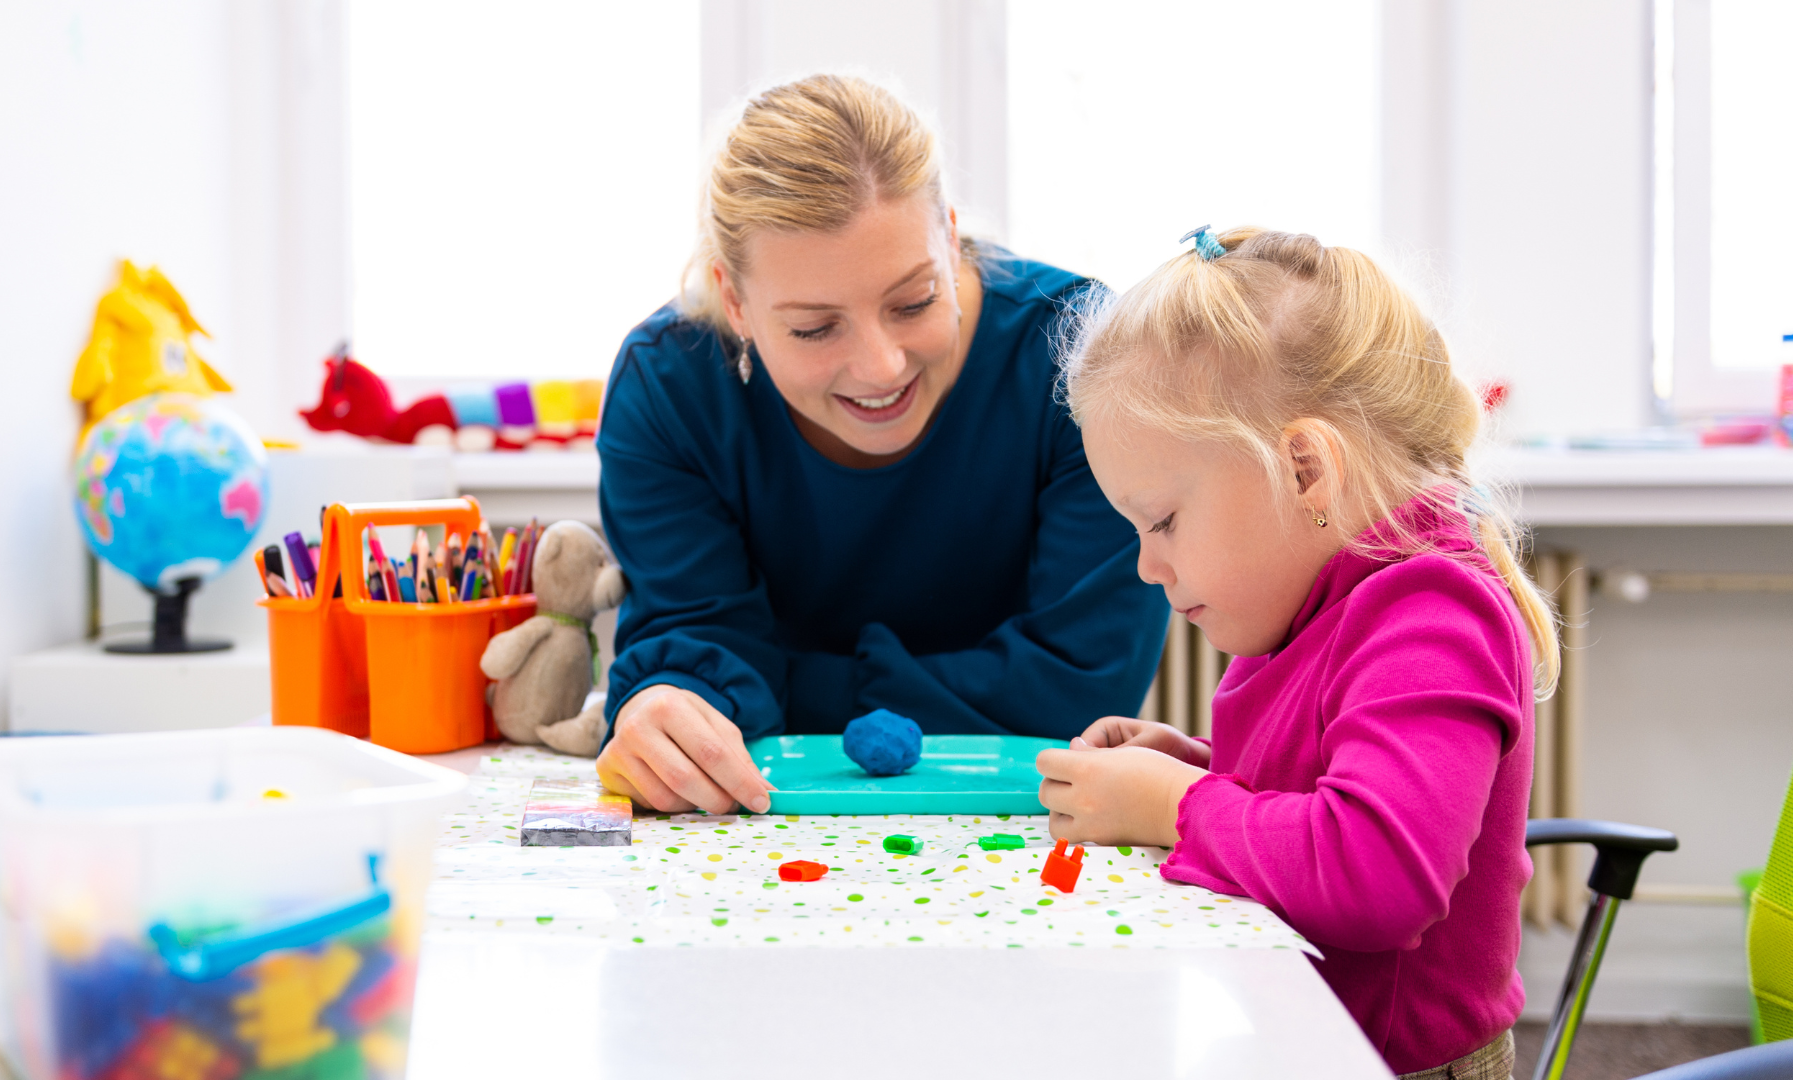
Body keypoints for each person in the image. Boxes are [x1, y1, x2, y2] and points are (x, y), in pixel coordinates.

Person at [1040, 227, 1552, 1080]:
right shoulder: (1318, 596)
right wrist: (1203, 766)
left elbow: (1378, 872)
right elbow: (1334, 784)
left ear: (1306, 469)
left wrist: (1181, 806)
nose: (1145, 565)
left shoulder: (1431, 611)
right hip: (1306, 1041)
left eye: (1162, 521)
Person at [594, 74, 1168, 816]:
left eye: (915, 300)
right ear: (734, 301)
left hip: (1032, 821)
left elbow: (1079, 689)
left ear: (951, 238)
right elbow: (693, 652)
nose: (881, 367)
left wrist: (777, 685)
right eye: (813, 328)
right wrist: (668, 708)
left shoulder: (1083, 356)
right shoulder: (668, 388)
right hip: (767, 829)